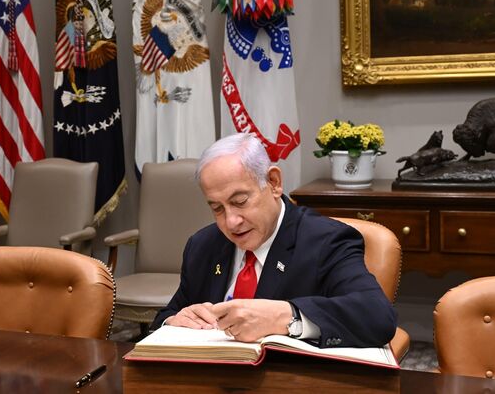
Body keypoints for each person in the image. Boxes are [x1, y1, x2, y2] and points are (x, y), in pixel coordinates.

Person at [152, 133, 396, 348]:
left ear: (274, 183)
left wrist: (287, 317)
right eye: (217, 208)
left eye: (240, 201)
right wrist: (174, 321)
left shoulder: (326, 240)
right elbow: (165, 317)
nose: (231, 222)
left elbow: (376, 316)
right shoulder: (202, 245)